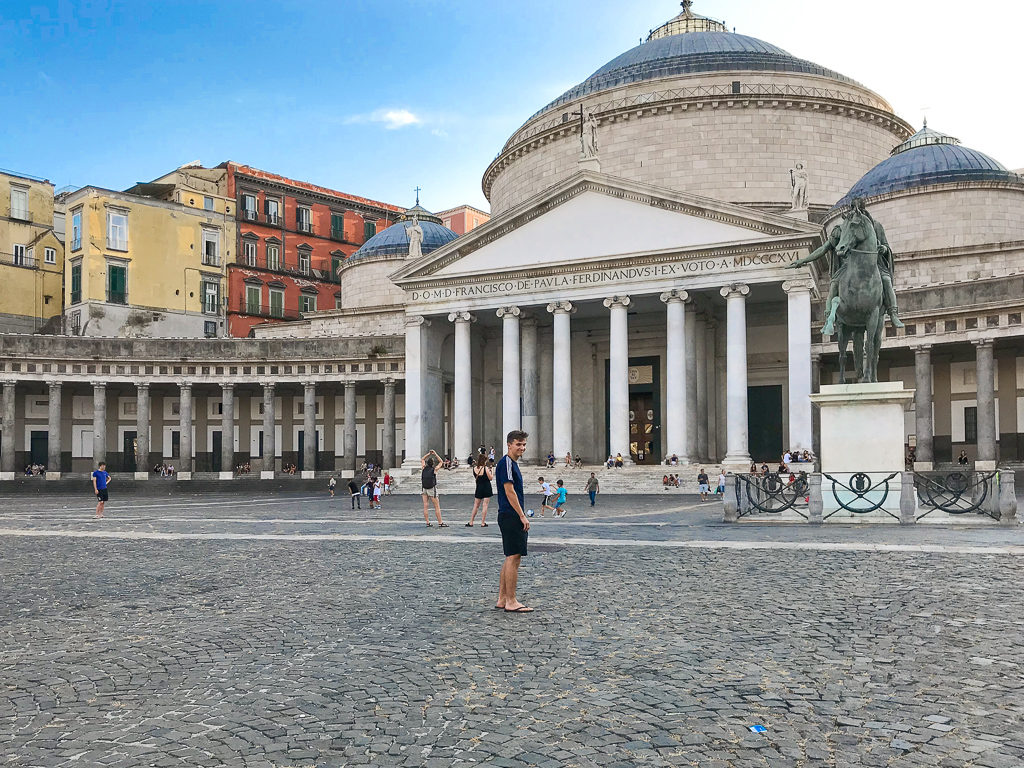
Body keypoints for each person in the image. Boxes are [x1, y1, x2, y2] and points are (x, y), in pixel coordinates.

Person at [496, 430, 532, 613]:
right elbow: (509, 491)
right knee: (514, 557)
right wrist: (522, 515)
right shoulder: (507, 463)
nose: (522, 447)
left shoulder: (509, 463)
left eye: (524, 444)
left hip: (507, 514)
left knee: (510, 556)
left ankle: (502, 598)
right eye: (518, 444)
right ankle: (511, 601)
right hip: (511, 515)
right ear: (509, 444)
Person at [466, 454, 494, 527]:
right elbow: (490, 478)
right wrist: (492, 471)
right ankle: (482, 522)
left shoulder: (475, 468)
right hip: (487, 487)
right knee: (485, 505)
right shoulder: (486, 469)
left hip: (479, 487)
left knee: (476, 505)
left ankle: (471, 521)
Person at [421, 450, 446, 527]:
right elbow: (441, 462)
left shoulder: (423, 468)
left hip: (424, 488)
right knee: (437, 506)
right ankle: (440, 522)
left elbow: (422, 459)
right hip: (432, 488)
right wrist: (435, 454)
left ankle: (427, 522)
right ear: (433, 464)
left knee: (425, 505)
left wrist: (428, 454)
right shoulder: (434, 469)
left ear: (427, 463)